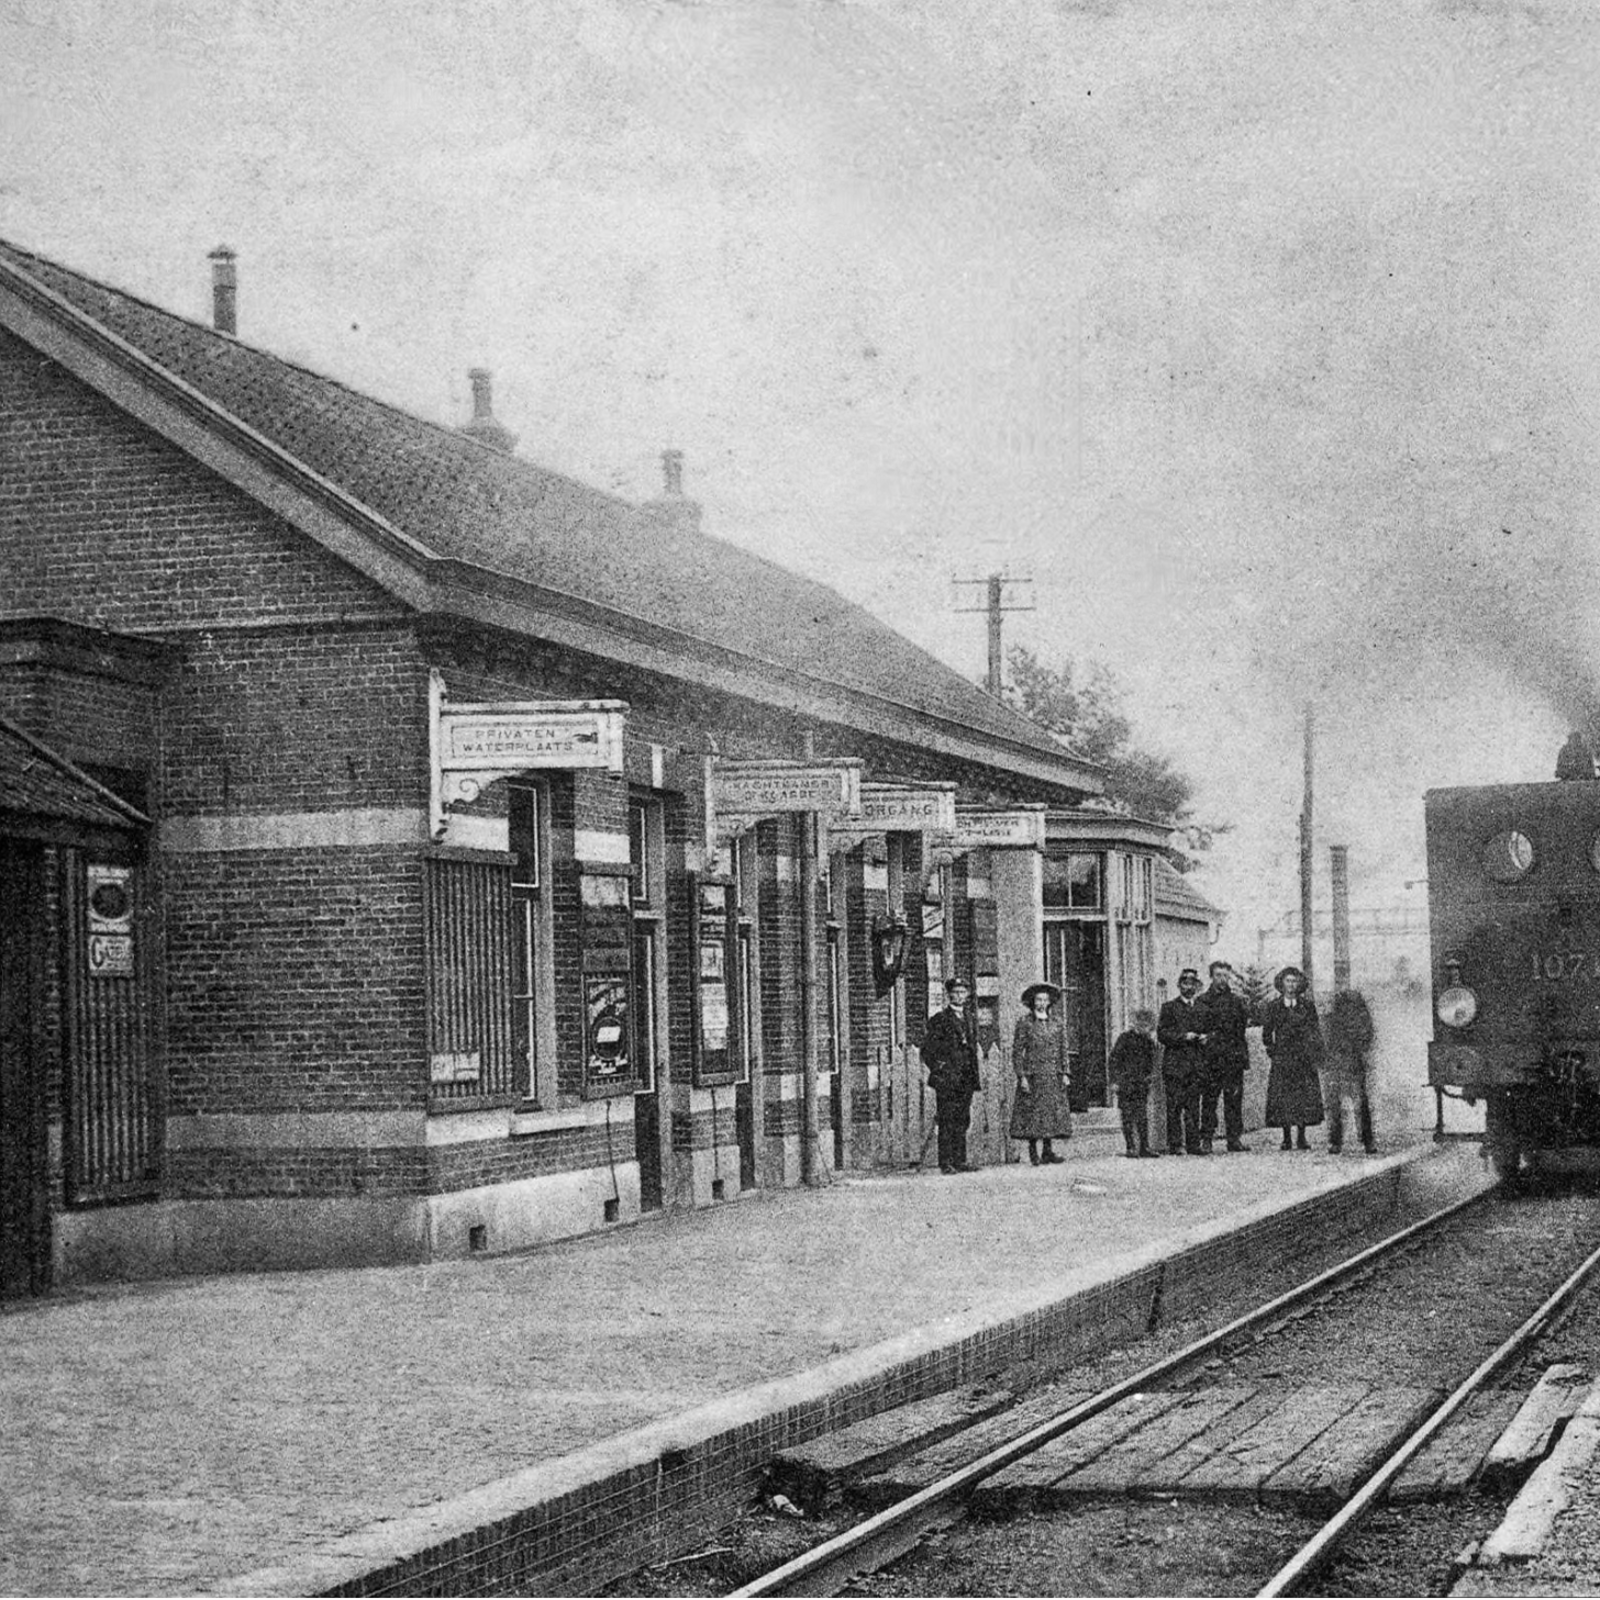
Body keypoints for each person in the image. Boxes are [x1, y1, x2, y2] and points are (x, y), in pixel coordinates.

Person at [919, 976, 982, 1174]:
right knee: (947, 1119)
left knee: (963, 1119)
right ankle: (945, 1162)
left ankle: (960, 1160)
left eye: (963, 992)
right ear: (949, 995)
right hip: (948, 1079)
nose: (959, 996)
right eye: (955, 992)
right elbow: (927, 1050)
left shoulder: (970, 1018)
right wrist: (941, 1068)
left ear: (968, 994)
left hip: (966, 1077)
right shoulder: (940, 1020)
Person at [1260, 966, 1325, 1150]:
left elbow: (1315, 1031)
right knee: (1284, 1097)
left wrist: (1313, 1051)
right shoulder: (1274, 1007)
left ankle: (1302, 1137)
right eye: (1288, 981)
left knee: (1303, 1096)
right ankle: (1286, 1137)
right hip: (1283, 1059)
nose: (1291, 985)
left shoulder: (1307, 1006)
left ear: (1299, 984)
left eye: (1294, 981)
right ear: (1282, 983)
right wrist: (1273, 1051)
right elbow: (1267, 1033)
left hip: (1303, 1059)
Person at [1009, 981, 1073, 1164]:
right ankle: (1033, 1152)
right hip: (1033, 1074)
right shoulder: (1025, 1023)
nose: (1042, 1003)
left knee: (1050, 1113)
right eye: (1038, 999)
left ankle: (1048, 1151)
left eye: (1045, 999)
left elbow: (1063, 1049)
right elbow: (1017, 1051)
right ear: (1032, 1001)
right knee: (1032, 1113)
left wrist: (1065, 1073)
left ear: (1050, 1002)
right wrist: (1021, 1076)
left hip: (1052, 1074)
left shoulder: (1057, 1023)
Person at [1197, 960, 1252, 1153]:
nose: (1222, 980)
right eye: (1218, 975)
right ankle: (1206, 1139)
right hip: (1211, 1060)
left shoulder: (1237, 1002)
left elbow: (1240, 1029)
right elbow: (1202, 1028)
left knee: (1234, 1101)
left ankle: (1234, 1139)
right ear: (1211, 977)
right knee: (1210, 1100)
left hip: (1233, 1059)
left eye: (1225, 976)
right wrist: (1215, 1036)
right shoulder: (1203, 1001)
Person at [1157, 969, 1209, 1156]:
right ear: (1179, 986)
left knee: (1193, 1107)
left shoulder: (1203, 1009)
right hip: (1175, 1066)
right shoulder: (1169, 1008)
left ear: (1197, 986)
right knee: (1174, 1107)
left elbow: (1212, 1031)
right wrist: (1183, 1037)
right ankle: (1175, 1144)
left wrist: (1205, 1037)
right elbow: (1162, 1034)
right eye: (1185, 983)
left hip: (1196, 1065)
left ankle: (1194, 1144)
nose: (1189, 987)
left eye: (1192, 984)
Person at [1323, 988, 1378, 1154]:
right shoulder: (1335, 1019)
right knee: (1344, 1104)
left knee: (1354, 1103)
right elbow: (1327, 1041)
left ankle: (1356, 1141)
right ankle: (1355, 1141)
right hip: (1340, 1064)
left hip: (1350, 1064)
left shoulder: (1357, 1019)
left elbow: (1367, 1039)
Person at [1108, 1009, 1159, 1158]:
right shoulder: (1124, 1038)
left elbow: (1151, 1062)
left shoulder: (1149, 1042)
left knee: (1142, 1116)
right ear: (1136, 1023)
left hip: (1141, 1084)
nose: (1145, 1027)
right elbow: (1114, 1060)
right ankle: (1130, 1146)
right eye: (1142, 1024)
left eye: (1148, 1025)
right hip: (1125, 1083)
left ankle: (1144, 1146)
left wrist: (1150, 1076)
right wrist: (1114, 1081)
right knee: (1127, 1116)